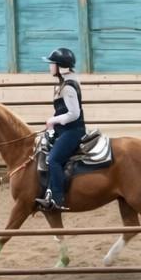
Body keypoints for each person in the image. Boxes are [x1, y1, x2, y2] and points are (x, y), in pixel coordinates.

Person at [36, 47, 85, 212]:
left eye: (53, 64)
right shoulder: (64, 83)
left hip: (72, 131)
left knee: (54, 159)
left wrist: (53, 120)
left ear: (61, 67)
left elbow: (74, 113)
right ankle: (48, 191)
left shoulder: (68, 86)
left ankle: (57, 198)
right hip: (63, 130)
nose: (50, 67)